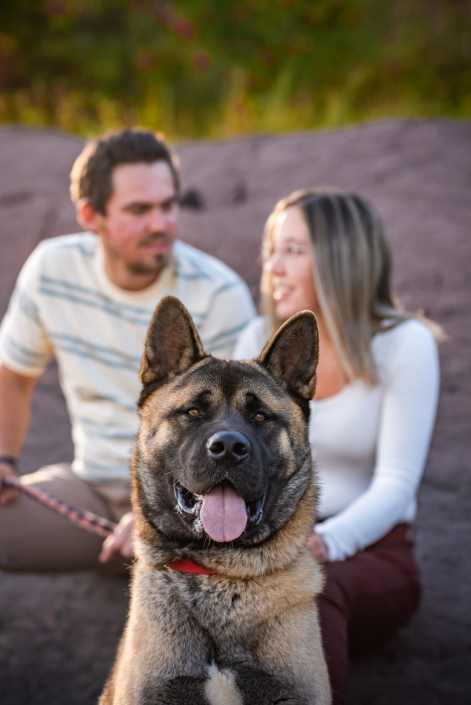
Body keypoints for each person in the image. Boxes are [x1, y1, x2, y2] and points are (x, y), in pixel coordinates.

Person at [0, 127, 255, 574]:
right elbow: (14, 373)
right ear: (90, 215)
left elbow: (239, 432)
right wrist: (4, 458)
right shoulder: (52, 270)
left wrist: (154, 514)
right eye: (139, 210)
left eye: (168, 205)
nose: (160, 223)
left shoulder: (219, 294)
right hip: (93, 490)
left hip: (197, 498)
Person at [233, 188, 442, 705]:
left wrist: (324, 543)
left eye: (293, 251)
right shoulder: (255, 338)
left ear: (342, 258)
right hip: (270, 542)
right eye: (271, 249)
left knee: (310, 593)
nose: (273, 267)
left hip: (368, 549)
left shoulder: (404, 344)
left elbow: (396, 484)